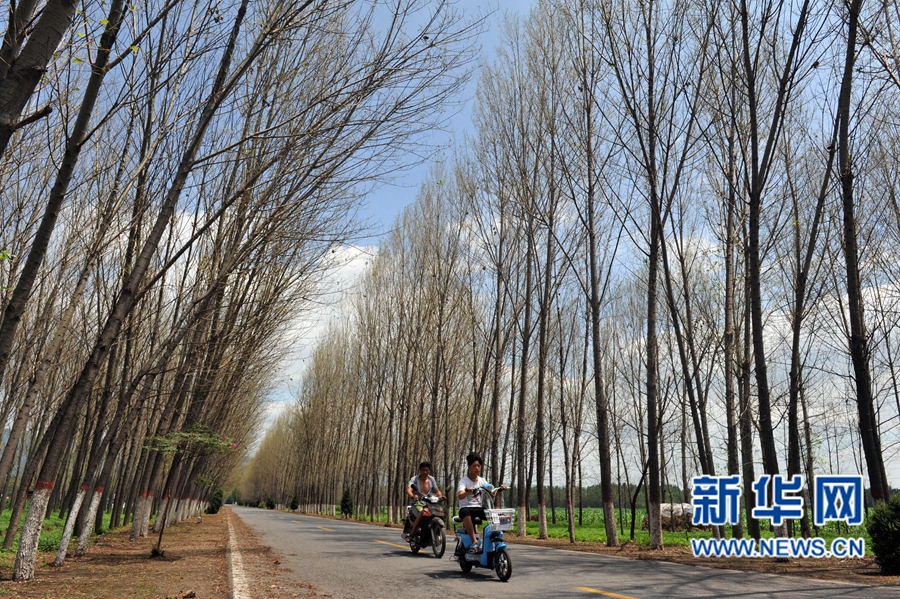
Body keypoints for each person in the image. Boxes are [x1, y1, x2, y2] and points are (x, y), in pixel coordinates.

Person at [457, 452, 507, 553]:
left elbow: (492, 493)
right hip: (466, 508)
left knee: (494, 515)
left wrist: (500, 490)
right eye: (474, 466)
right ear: (469, 467)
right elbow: (460, 495)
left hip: (478, 508)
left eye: (479, 466)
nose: (477, 468)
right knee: (466, 513)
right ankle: (474, 541)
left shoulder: (482, 480)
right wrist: (467, 491)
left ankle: (496, 538)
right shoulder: (464, 481)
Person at [404, 461, 442, 541]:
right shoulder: (414, 479)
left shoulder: (431, 479)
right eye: (423, 470)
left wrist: (441, 496)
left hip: (429, 502)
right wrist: (412, 496)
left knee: (439, 512)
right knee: (423, 512)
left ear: (429, 471)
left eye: (427, 470)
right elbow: (409, 490)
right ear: (420, 470)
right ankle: (412, 534)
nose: (425, 472)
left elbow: (437, 491)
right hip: (418, 502)